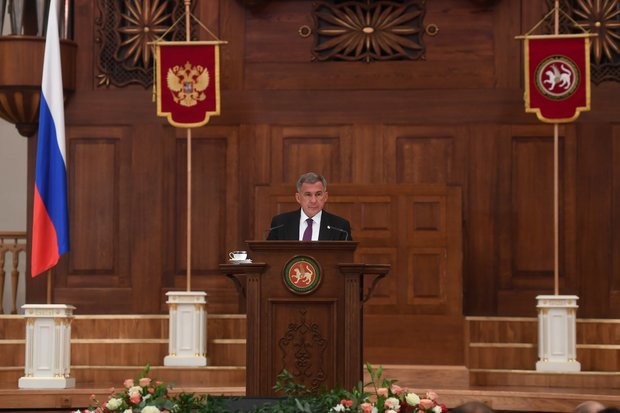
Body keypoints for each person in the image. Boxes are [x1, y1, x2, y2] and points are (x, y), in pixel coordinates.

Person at [267, 172, 352, 241]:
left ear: (325, 197)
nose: (313, 201)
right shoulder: (280, 224)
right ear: (298, 198)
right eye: (308, 195)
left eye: (318, 194)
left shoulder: (340, 227)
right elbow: (270, 255)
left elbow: (346, 256)